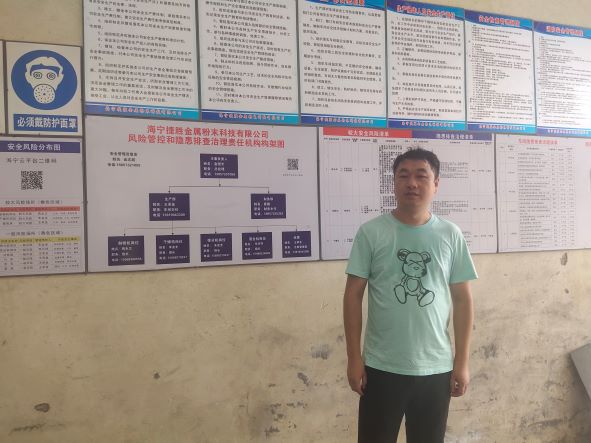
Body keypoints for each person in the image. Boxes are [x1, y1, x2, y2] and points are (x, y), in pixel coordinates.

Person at [343, 148, 477, 443]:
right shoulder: (371, 233)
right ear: (394, 183)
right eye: (403, 176)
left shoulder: (450, 234)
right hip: (381, 366)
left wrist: (462, 361)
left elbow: (463, 300)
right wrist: (354, 358)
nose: (412, 183)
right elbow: (352, 296)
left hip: (436, 368)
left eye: (421, 176)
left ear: (436, 183)